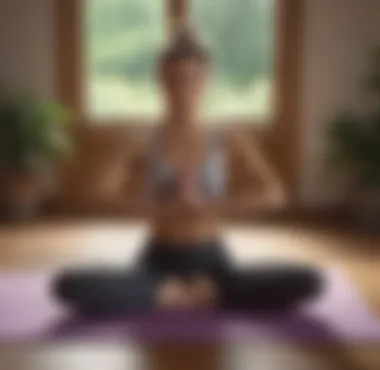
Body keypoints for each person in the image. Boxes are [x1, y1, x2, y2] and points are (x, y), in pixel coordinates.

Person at [54, 27, 321, 317]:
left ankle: (199, 292)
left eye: (191, 79)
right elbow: (94, 196)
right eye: (173, 80)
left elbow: (275, 195)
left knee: (308, 280)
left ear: (207, 78)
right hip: (158, 259)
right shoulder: (140, 138)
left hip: (213, 259)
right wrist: (160, 208)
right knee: (68, 285)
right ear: (160, 79)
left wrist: (208, 206)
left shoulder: (229, 136)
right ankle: (172, 293)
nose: (182, 89)